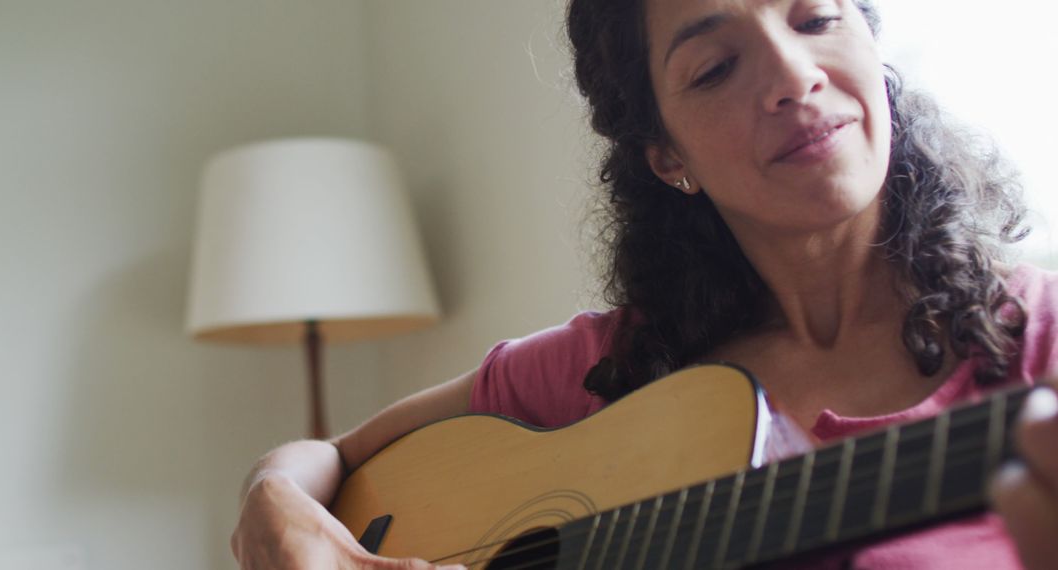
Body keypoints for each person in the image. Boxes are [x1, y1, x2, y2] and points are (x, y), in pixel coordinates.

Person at [230, 0, 1058, 567]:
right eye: (714, 68)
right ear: (669, 158)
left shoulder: (1038, 343)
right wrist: (272, 497)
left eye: (816, 18)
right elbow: (333, 459)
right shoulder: (613, 366)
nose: (793, 74)